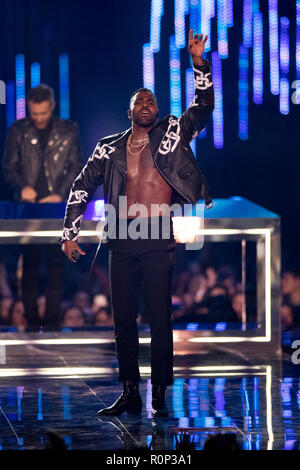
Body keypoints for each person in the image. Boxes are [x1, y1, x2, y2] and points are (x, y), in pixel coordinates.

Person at [61, 30, 214, 417]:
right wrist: (69, 231)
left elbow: (204, 106)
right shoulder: (108, 146)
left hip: (158, 232)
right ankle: (130, 391)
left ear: (157, 109)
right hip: (122, 236)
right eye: (139, 100)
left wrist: (198, 63)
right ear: (129, 111)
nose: (146, 103)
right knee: (123, 321)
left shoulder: (174, 133)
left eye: (151, 99)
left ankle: (159, 393)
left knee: (160, 319)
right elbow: (82, 185)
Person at [3, 84, 82, 329]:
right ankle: (31, 322)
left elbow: (75, 165)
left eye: (43, 113)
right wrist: (21, 188)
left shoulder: (68, 130)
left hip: (57, 206)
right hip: (29, 206)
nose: (38, 118)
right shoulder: (18, 130)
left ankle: (51, 325)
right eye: (34, 113)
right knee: (29, 264)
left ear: (52, 108)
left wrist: (59, 194)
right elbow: (9, 166)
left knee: (56, 265)